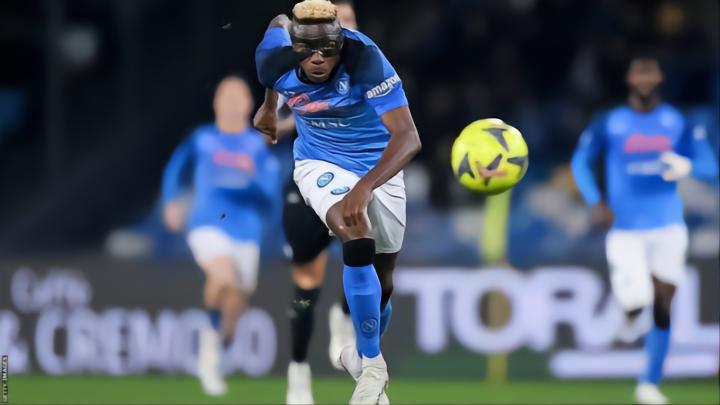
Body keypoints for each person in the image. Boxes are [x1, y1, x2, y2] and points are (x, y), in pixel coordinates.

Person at [254, 0, 422, 403]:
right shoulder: (272, 58)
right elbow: (277, 23)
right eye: (307, 50)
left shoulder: (364, 58)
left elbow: (408, 138)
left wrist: (364, 188)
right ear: (294, 45)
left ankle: (357, 357)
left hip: (378, 163)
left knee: (383, 281)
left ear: (340, 44)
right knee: (354, 231)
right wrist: (268, 107)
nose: (317, 59)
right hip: (318, 161)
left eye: (327, 50)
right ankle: (373, 368)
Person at [571, 56, 717, 405]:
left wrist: (687, 165)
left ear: (660, 78)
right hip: (625, 228)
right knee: (638, 300)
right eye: (640, 73)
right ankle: (627, 314)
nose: (645, 79)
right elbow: (580, 161)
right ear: (630, 78)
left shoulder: (677, 121)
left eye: (651, 72)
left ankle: (649, 383)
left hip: (668, 225)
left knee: (663, 304)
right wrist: (595, 200)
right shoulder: (610, 122)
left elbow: (711, 166)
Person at [162, 75, 280, 396]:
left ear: (248, 105)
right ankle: (207, 358)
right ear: (215, 103)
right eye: (224, 97)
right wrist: (171, 200)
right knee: (223, 275)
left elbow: (269, 195)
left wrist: (249, 181)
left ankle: (218, 343)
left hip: (246, 232)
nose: (229, 104)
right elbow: (175, 168)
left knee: (235, 302)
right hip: (207, 224)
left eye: (236, 97)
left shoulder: (256, 146)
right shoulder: (201, 139)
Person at [272, 1, 360, 404]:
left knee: (371, 250)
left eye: (347, 21)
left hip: (356, 180)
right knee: (306, 284)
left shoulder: (370, 68)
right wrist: (297, 111)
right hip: (309, 183)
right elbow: (272, 123)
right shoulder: (297, 69)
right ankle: (298, 369)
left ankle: (345, 314)